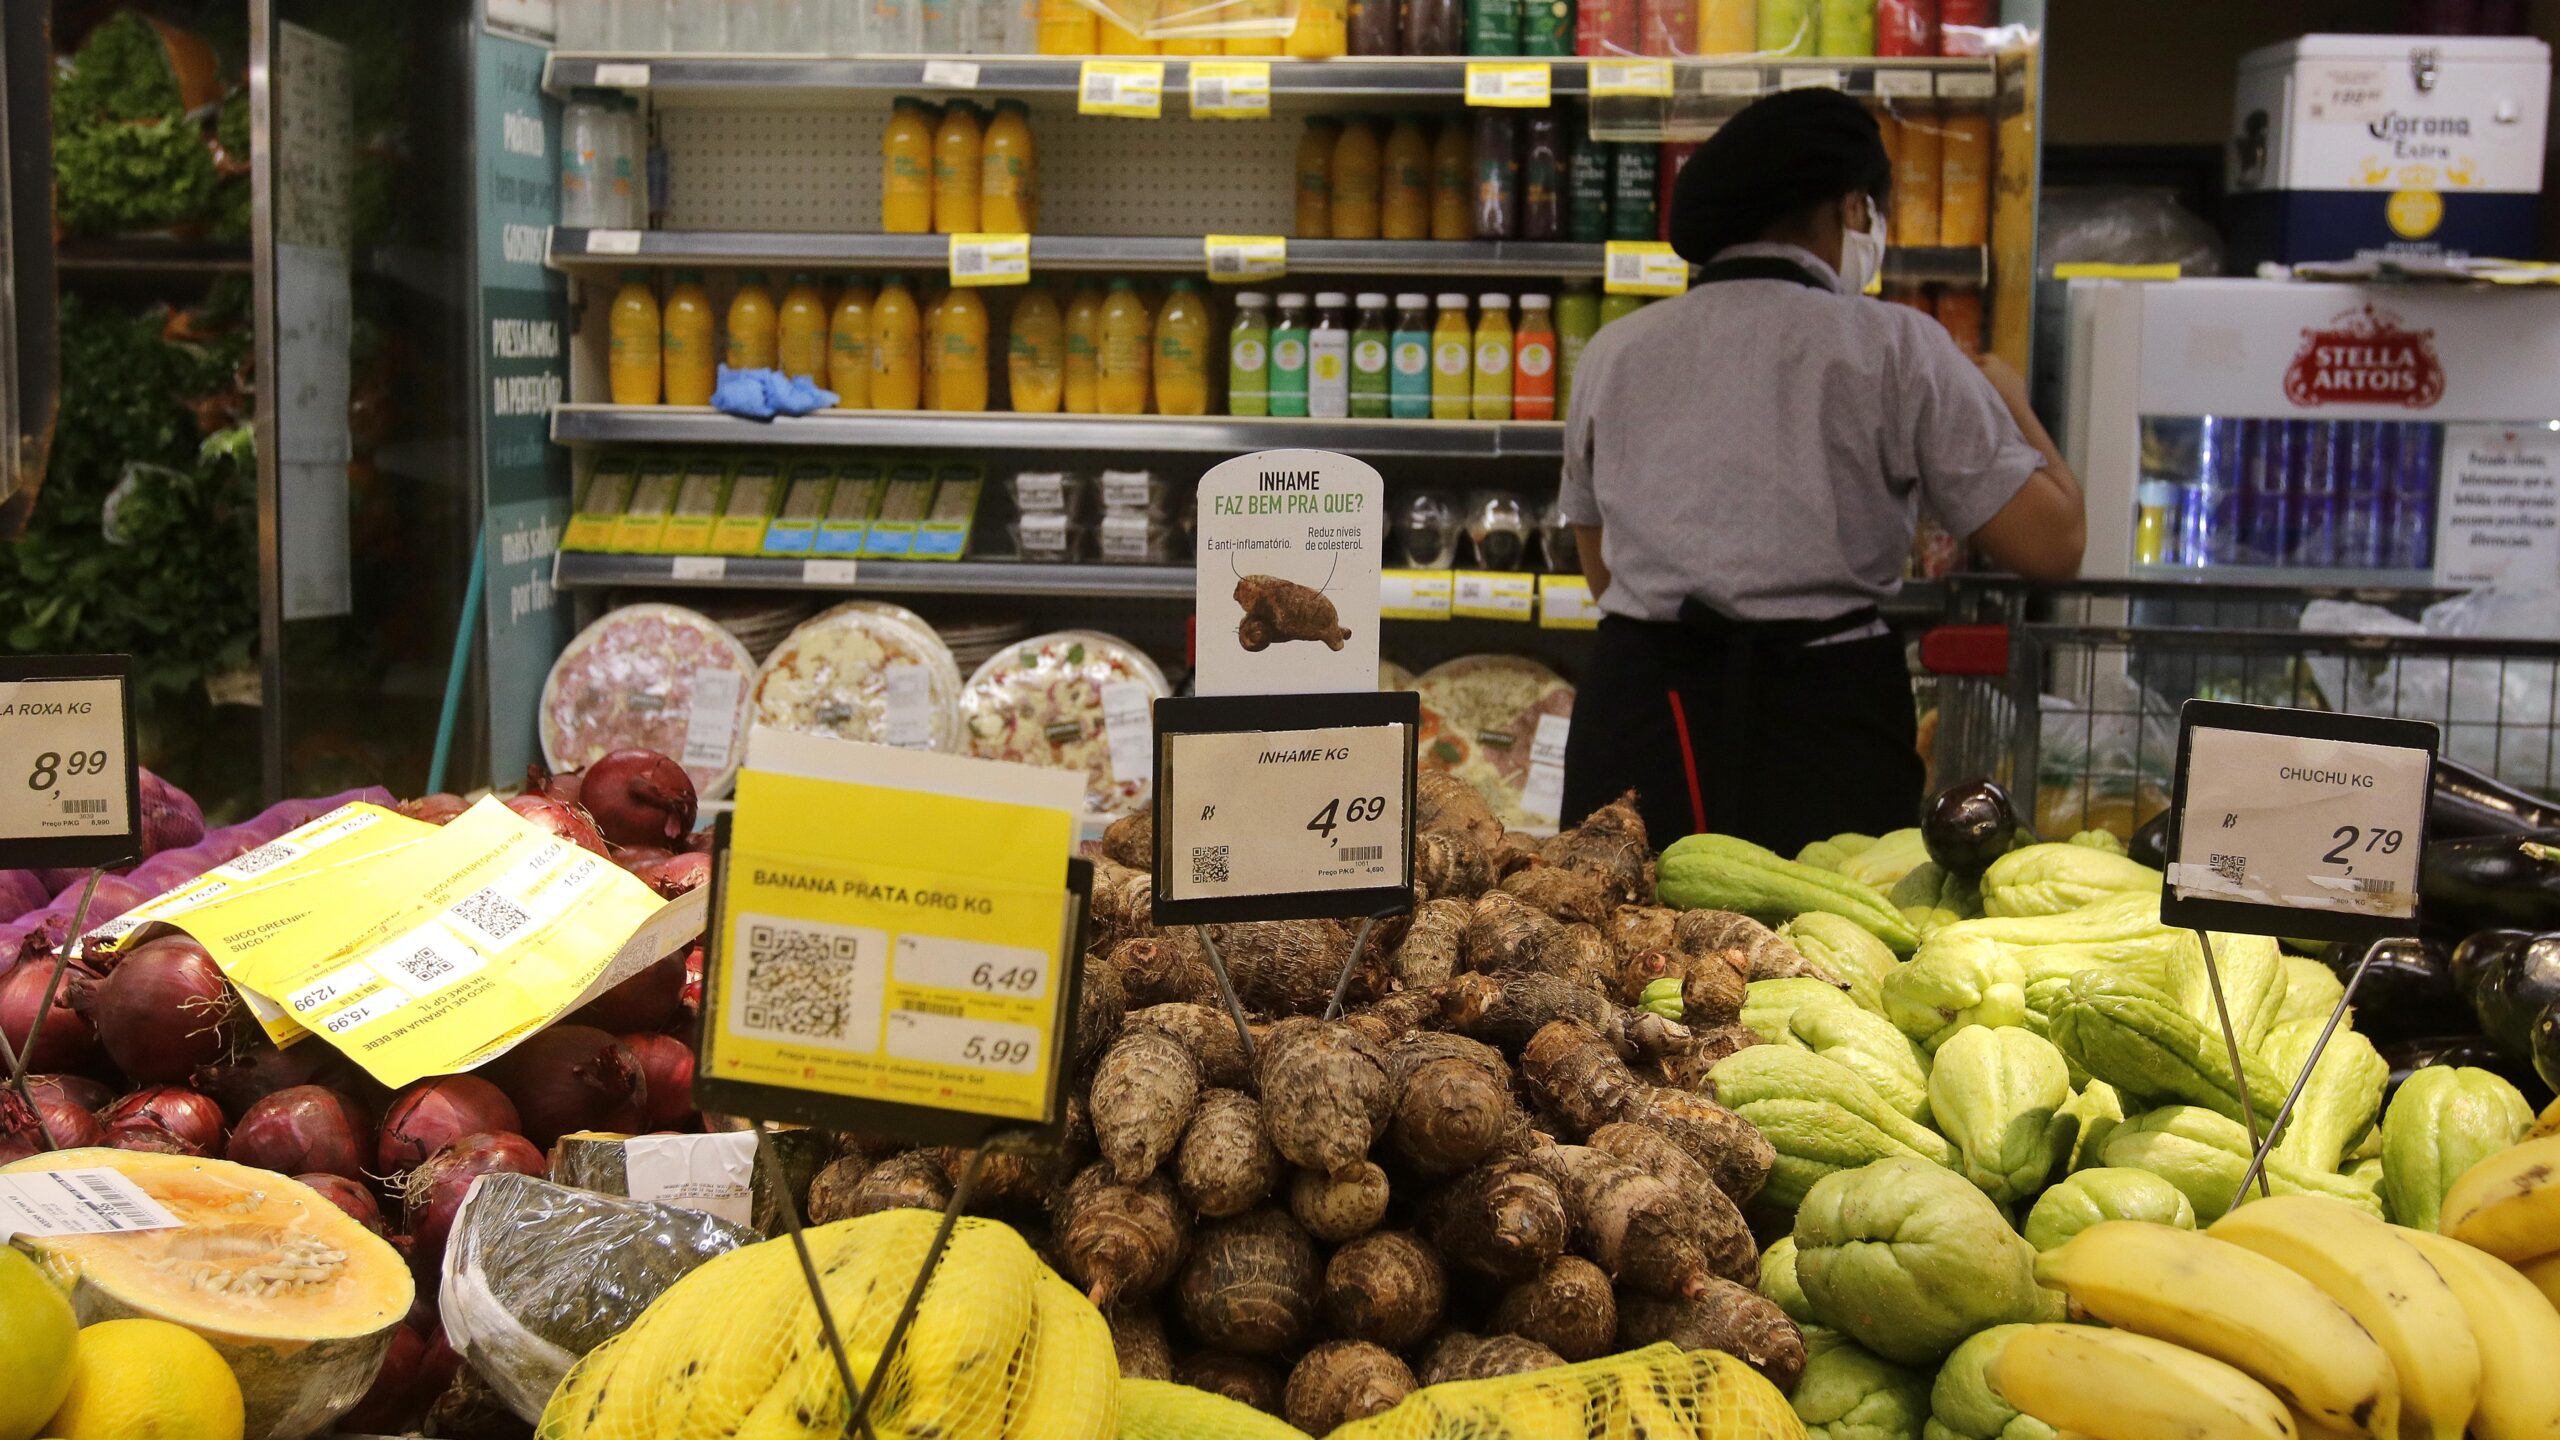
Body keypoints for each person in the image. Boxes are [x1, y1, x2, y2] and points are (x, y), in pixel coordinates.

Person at [1557, 86, 2083, 856]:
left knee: (1618, 948)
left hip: (1644, 708)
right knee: (1828, 955)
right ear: (1851, 209)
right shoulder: (1897, 346)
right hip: (1827, 710)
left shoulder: (1616, 350)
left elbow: (1599, 567)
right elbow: (2055, 545)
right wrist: (2011, 399)